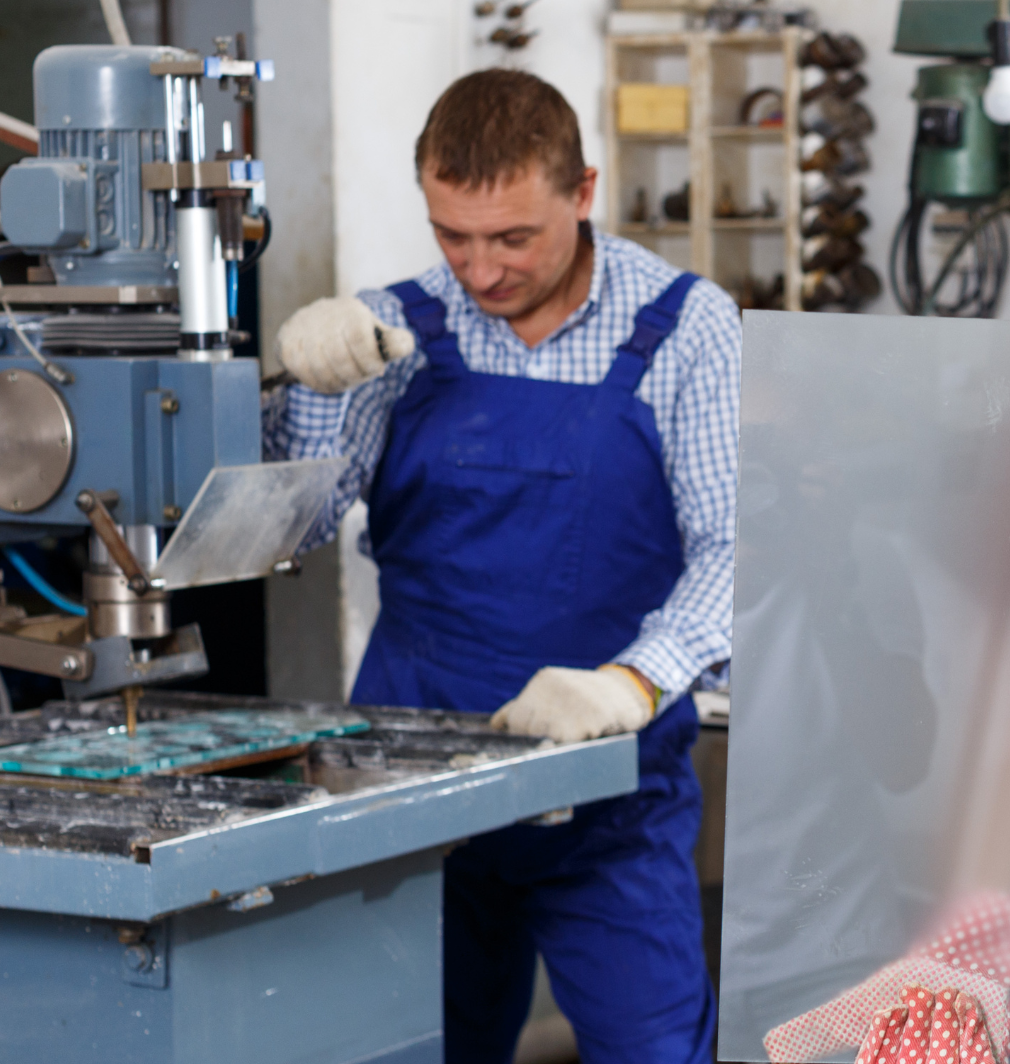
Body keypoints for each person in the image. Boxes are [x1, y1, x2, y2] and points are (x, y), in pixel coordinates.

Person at [262, 69, 736, 1064]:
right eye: (452, 236)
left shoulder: (685, 328)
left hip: (608, 798)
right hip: (409, 785)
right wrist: (306, 390)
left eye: (514, 237)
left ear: (584, 190)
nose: (479, 273)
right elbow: (290, 536)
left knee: (653, 1051)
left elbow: (737, 551)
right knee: (416, 1049)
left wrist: (630, 681)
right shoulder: (392, 330)